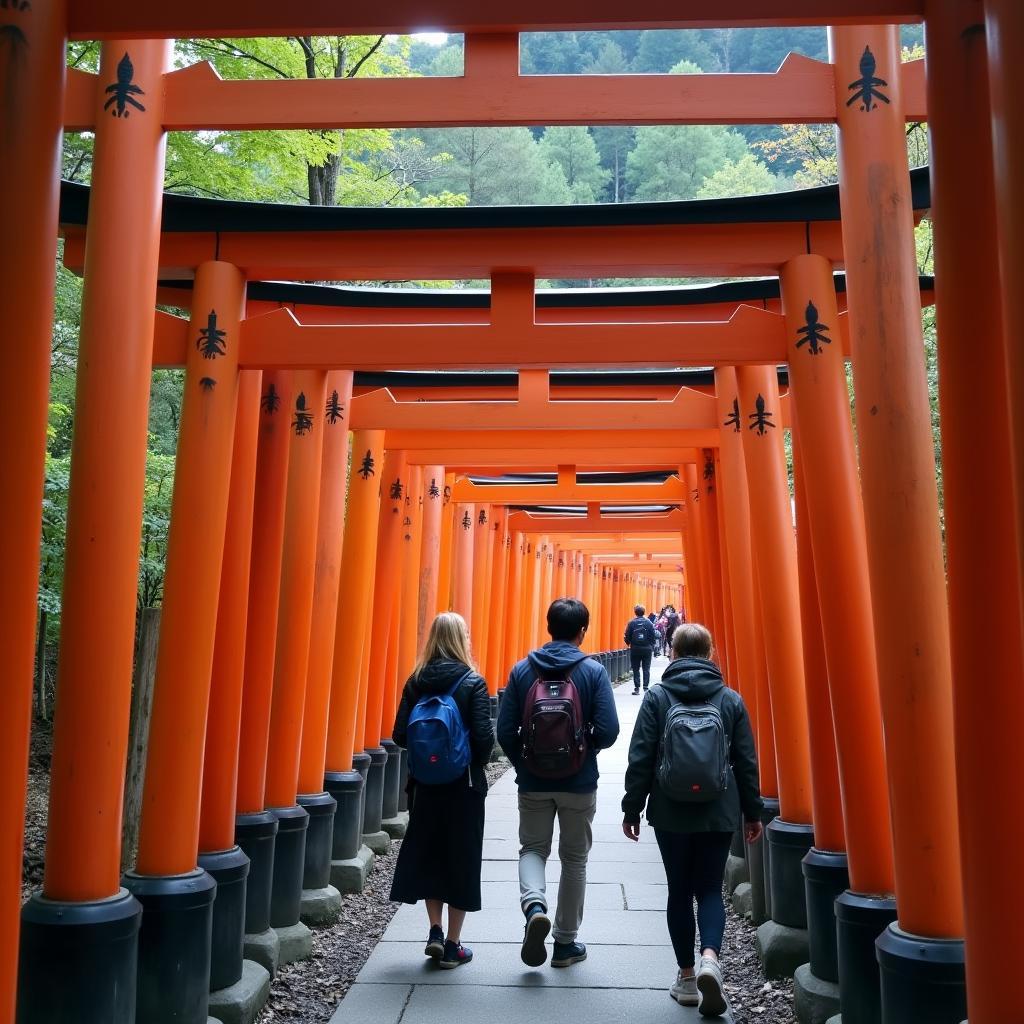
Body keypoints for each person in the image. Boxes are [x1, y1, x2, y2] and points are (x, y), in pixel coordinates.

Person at [621, 622, 763, 1017]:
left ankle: (686, 978)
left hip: (669, 808)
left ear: (674, 651)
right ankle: (711, 960)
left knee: (679, 891)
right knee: (710, 890)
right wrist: (753, 812)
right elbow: (747, 763)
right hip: (718, 808)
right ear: (711, 651)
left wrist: (632, 808)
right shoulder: (730, 699)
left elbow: (642, 756)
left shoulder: (657, 697)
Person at [497, 598, 620, 969]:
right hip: (579, 782)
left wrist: (525, 762)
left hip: (534, 780)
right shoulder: (593, 672)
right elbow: (610, 730)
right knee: (575, 859)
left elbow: (503, 731)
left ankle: (535, 905)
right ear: (582, 631)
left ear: (548, 626)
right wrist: (584, 750)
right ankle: (565, 944)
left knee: (532, 848)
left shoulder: (522, 670)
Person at [390, 612, 494, 970]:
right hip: (463, 786)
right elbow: (485, 740)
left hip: (425, 788)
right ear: (462, 639)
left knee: (431, 854)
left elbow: (400, 734)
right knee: (461, 859)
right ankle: (453, 945)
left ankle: (433, 931)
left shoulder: (416, 681)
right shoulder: (472, 682)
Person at [624, 603, 658, 694]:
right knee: (646, 668)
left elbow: (627, 636)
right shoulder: (649, 623)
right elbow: (653, 636)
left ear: (635, 612)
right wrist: (651, 645)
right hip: (647, 649)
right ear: (644, 612)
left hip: (635, 649)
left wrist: (629, 644)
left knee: (636, 668)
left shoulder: (631, 623)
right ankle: (646, 688)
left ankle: (637, 688)